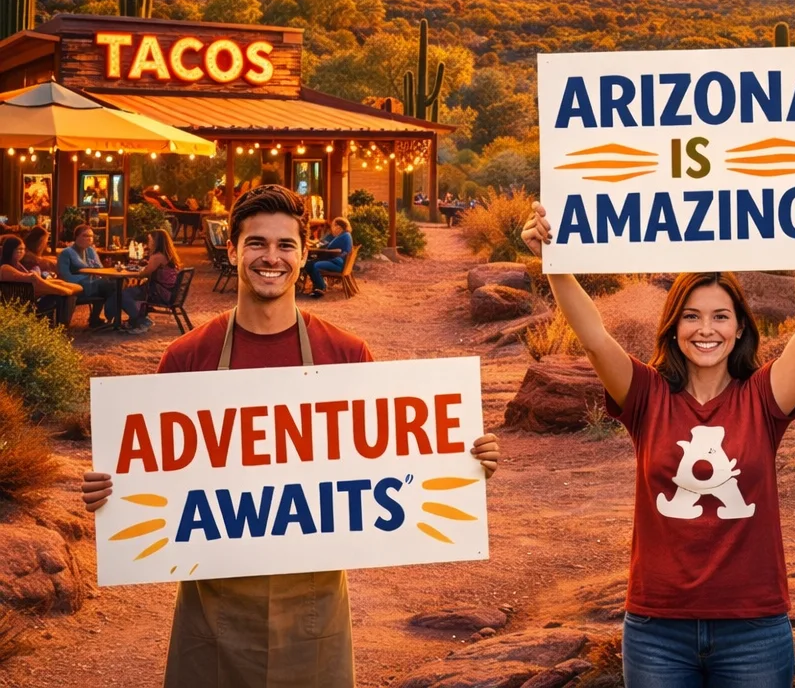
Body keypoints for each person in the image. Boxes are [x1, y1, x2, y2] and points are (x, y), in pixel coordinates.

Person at [82, 185, 501, 687]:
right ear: (233, 250)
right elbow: (152, 480)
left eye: (285, 245)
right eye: (256, 243)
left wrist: (460, 459)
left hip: (314, 609)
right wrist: (113, 493)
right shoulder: (186, 358)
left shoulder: (346, 354)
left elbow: (391, 467)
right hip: (210, 609)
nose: (271, 257)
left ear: (303, 256)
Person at [520, 186, 795, 688]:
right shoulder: (645, 395)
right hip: (657, 629)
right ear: (673, 327)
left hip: (754, 627)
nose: (704, 329)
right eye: (691, 315)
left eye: (719, 316)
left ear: (738, 329)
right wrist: (553, 259)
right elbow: (595, 336)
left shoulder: (763, 397)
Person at [0, 234, 81, 324]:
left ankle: (60, 327)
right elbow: (31, 279)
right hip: (22, 305)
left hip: (31, 298)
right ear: (10, 250)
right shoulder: (5, 267)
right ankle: (60, 328)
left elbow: (34, 278)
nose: (21, 252)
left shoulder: (18, 265)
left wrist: (58, 284)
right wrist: (59, 289)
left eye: (23, 249)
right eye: (18, 249)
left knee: (66, 295)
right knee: (63, 296)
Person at [121, 227, 182, 334]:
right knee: (130, 291)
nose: (148, 243)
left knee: (124, 294)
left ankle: (141, 320)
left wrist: (135, 270)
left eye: (150, 240)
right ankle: (134, 320)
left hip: (160, 292)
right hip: (169, 291)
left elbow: (145, 274)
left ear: (156, 242)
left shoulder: (157, 257)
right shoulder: (167, 255)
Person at [56, 223, 111, 327]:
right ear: (76, 237)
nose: (89, 239)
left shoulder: (91, 250)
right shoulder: (66, 253)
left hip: (94, 284)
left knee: (116, 285)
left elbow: (99, 268)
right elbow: (65, 275)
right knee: (110, 287)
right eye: (85, 236)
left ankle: (100, 318)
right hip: (77, 287)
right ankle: (107, 318)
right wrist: (85, 280)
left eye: (91, 236)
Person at [305, 217, 353, 298]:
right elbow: (324, 244)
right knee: (311, 263)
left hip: (338, 264)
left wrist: (313, 244)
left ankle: (321, 287)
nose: (332, 229)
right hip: (340, 263)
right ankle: (319, 286)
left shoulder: (343, 236)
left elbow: (326, 247)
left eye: (333, 226)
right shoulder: (345, 235)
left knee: (315, 265)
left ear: (338, 227)